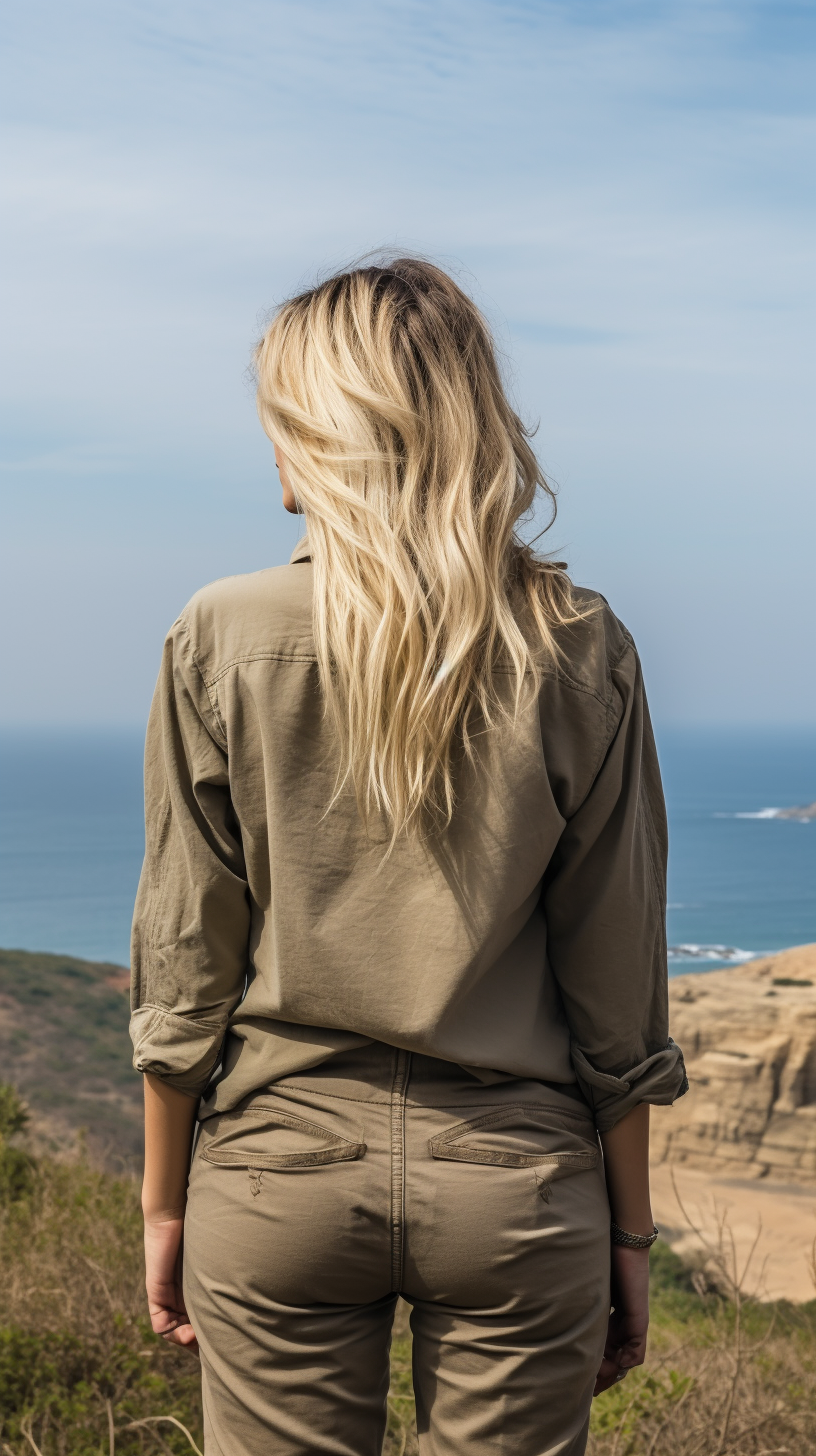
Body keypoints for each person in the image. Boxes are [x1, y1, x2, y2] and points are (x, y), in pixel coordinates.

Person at [131, 257, 687, 1456]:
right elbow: (616, 990)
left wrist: (165, 1202)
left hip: (277, 1181)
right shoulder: (582, 646)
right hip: (518, 1195)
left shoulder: (218, 636)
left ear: (322, 433)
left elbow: (187, 973)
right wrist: (630, 1238)